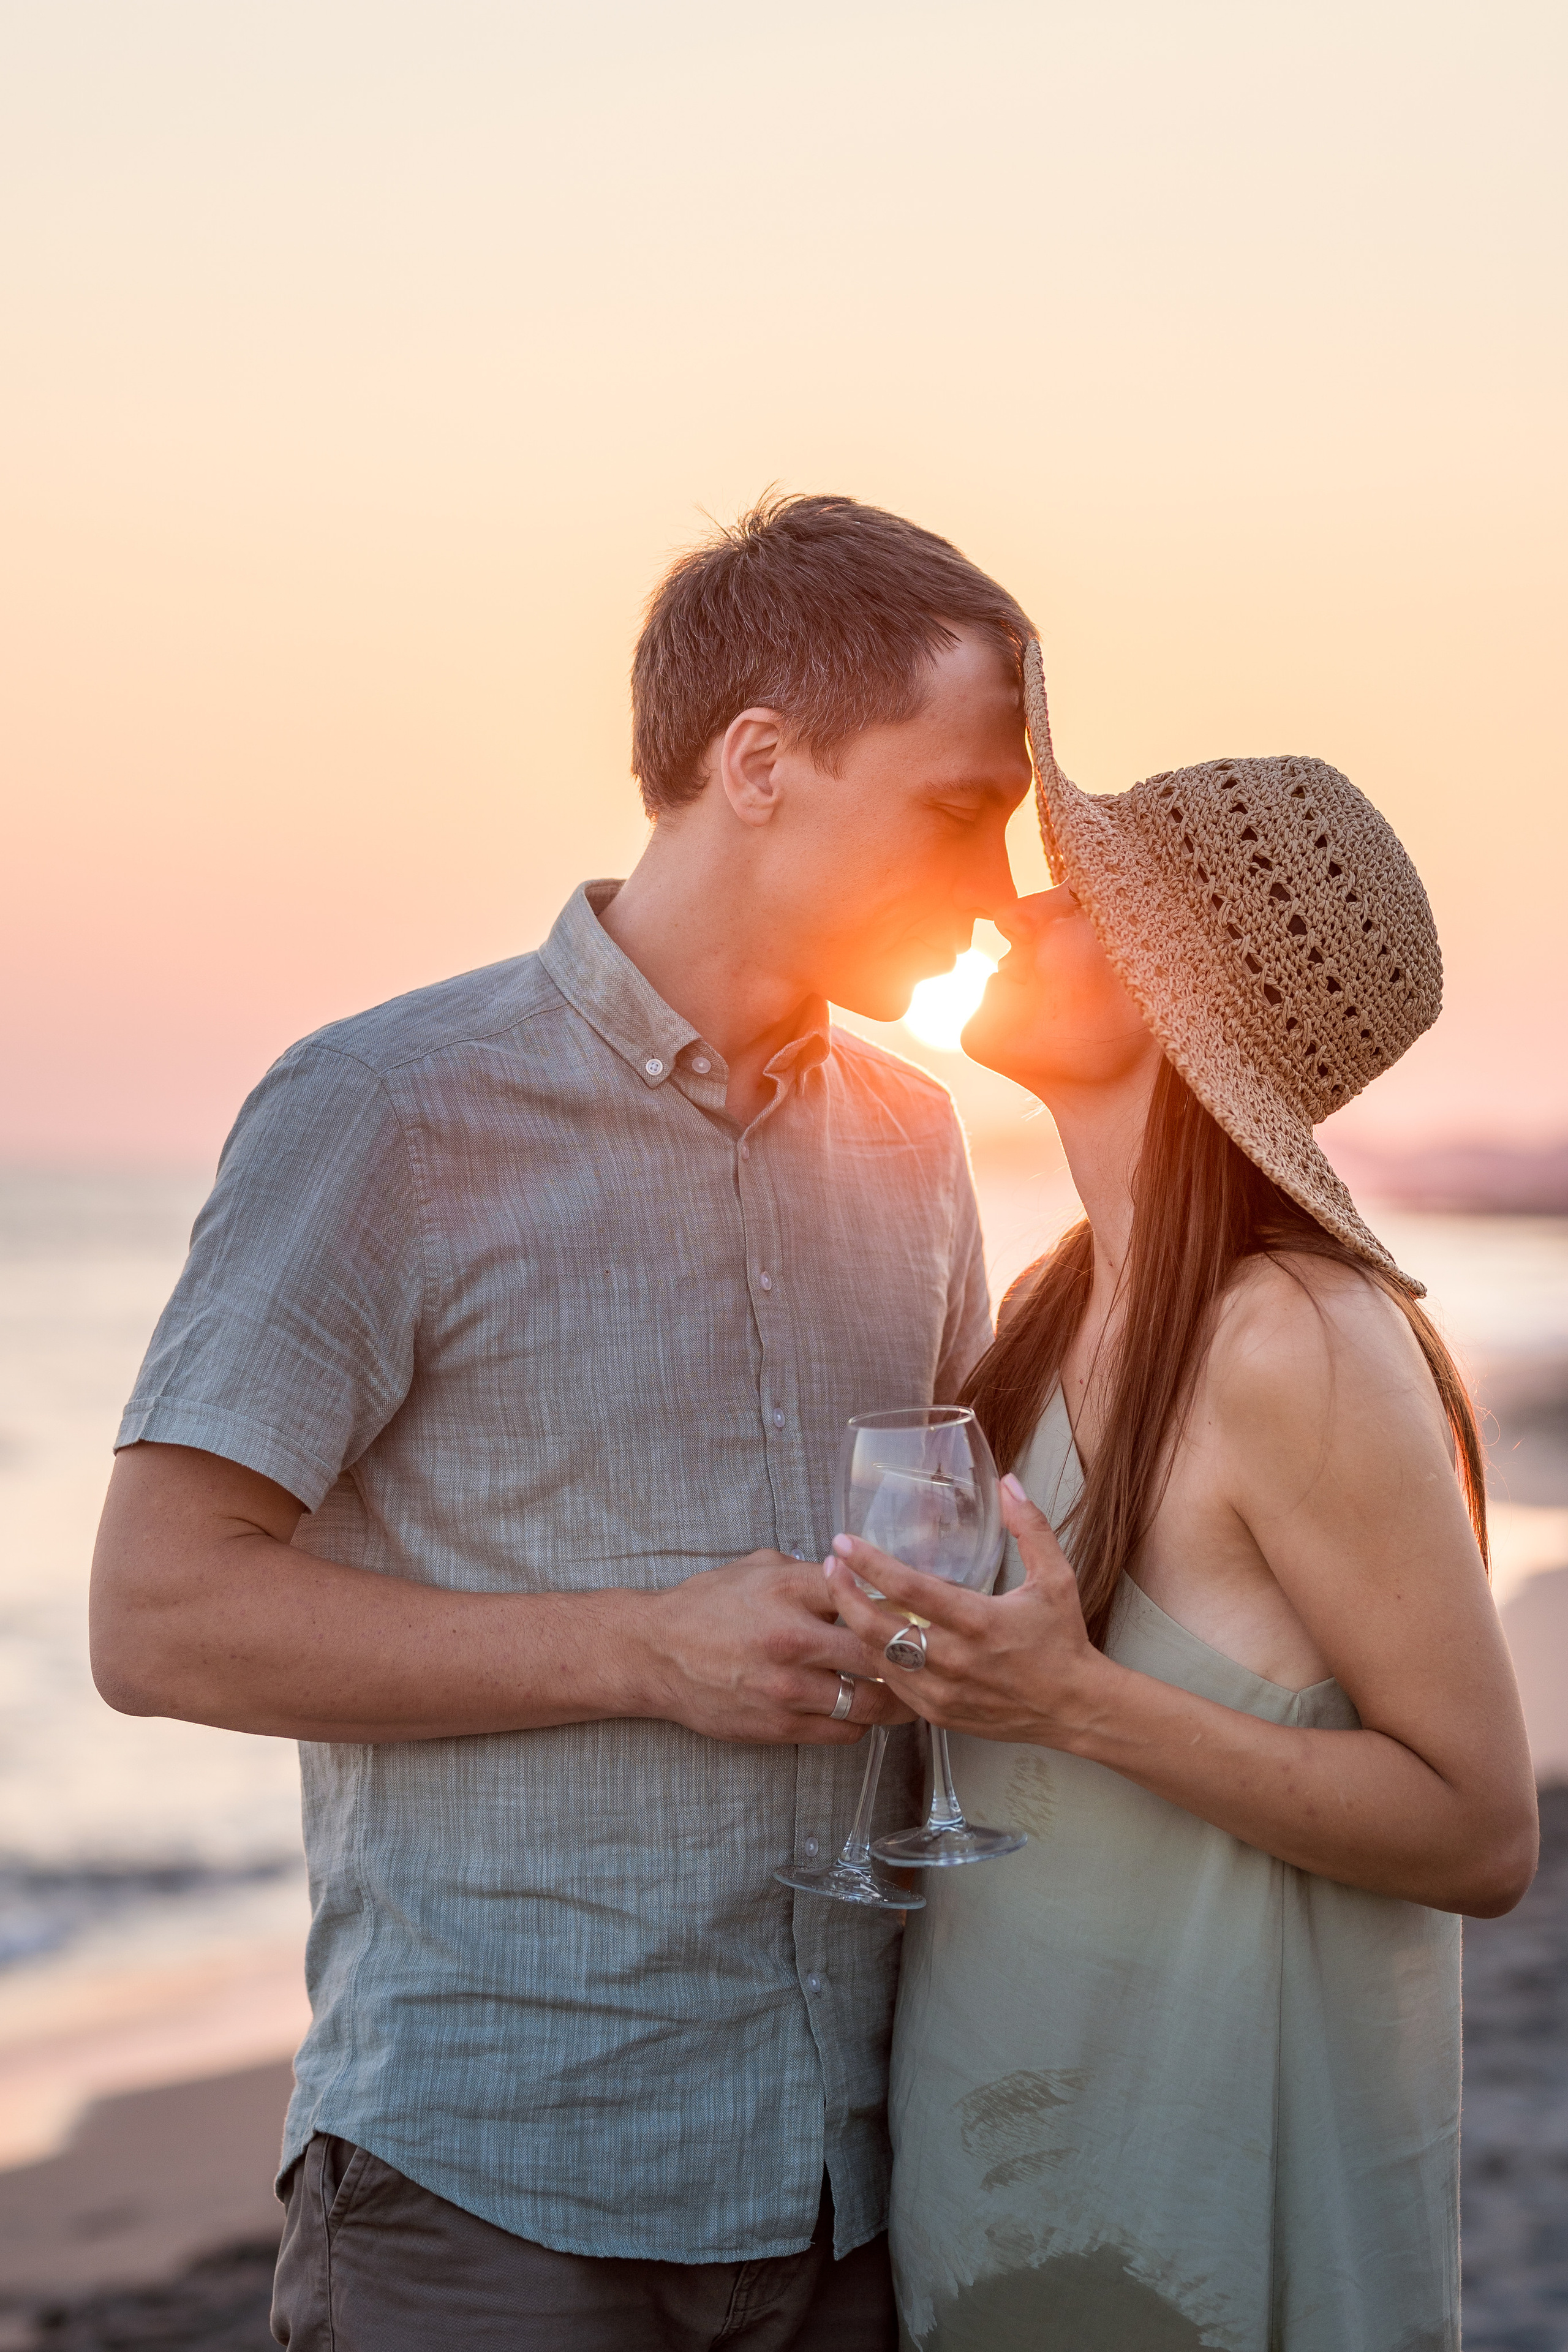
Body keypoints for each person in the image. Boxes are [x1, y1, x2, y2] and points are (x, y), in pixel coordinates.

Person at [88, 494, 1036, 2351]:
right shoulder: (387, 1110)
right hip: (490, 2197)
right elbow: (156, 1616)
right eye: (958, 807)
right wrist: (641, 1648)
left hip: (855, 2187)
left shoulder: (919, 1145)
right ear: (761, 761)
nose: (996, 881)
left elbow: (957, 1567)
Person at [827, 642, 1539, 2352]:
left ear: (1173, 985)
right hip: (1012, 2174)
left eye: (1076, 896)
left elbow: (1482, 1832)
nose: (1013, 909)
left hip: (1188, 2215)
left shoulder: (1298, 1339)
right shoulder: (1062, 1300)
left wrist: (1072, 1704)